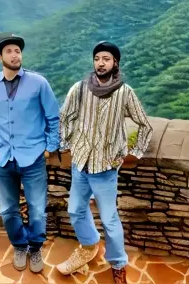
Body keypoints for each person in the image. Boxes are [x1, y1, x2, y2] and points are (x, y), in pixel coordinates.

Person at [56, 41, 153, 284]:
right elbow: (65, 117)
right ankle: (89, 246)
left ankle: (118, 265)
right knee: (75, 210)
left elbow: (145, 125)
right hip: (81, 161)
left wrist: (134, 152)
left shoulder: (125, 93)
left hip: (106, 167)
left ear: (115, 63)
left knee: (110, 220)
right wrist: (66, 143)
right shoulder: (79, 89)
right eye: (97, 58)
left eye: (106, 59)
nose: (101, 63)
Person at [0, 32, 60, 274]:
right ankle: (19, 245)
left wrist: (49, 148)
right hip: (2, 158)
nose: (15, 55)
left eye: (18, 50)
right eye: (10, 51)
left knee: (36, 208)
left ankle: (35, 247)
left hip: (33, 157)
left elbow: (53, 117)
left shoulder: (38, 83)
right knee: (7, 209)